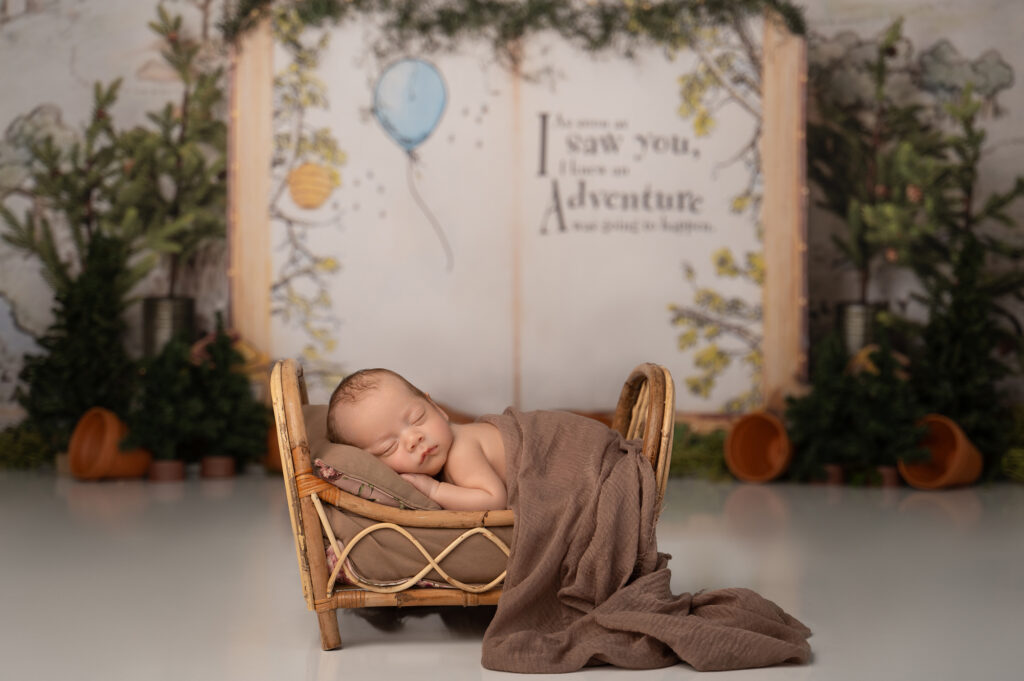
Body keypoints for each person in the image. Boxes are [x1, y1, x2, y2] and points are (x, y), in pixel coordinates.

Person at [326, 368, 508, 511]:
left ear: (436, 408)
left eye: (417, 418)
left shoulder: (460, 452)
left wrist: (434, 491)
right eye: (389, 447)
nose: (413, 439)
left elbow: (494, 500)